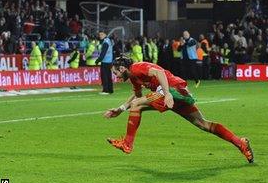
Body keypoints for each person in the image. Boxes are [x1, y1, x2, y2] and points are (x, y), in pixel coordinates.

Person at [104, 57, 254, 163]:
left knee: (138, 104)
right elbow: (137, 96)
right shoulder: (134, 78)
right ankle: (240, 143)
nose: (116, 77)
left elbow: (159, 73)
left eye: (115, 73)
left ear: (122, 68)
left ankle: (128, 144)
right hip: (174, 93)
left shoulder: (137, 67)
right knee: (202, 124)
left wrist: (167, 93)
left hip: (173, 90)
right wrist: (121, 108)